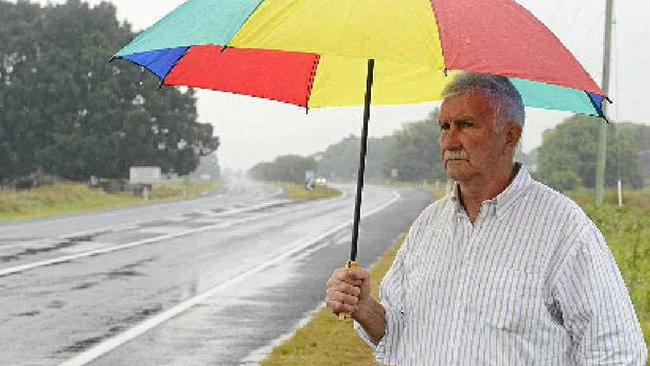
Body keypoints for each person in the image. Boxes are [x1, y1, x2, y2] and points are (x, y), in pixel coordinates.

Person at [325, 73, 647, 365]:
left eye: (466, 125)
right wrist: (365, 308)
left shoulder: (564, 228)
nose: (450, 141)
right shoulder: (428, 225)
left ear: (509, 136)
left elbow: (616, 351)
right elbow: (401, 337)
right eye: (444, 127)